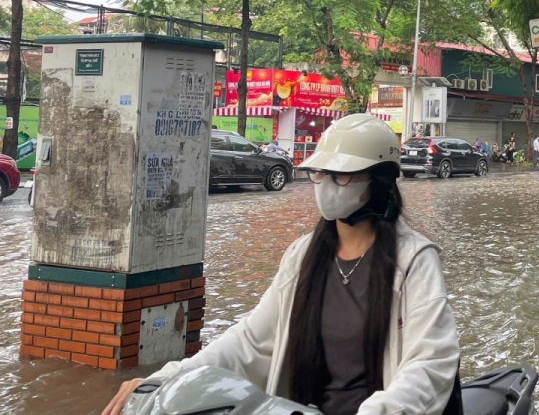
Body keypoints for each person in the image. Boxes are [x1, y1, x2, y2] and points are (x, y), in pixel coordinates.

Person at [102, 114, 459, 415]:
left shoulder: (414, 260)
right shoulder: (303, 256)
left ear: (380, 180)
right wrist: (169, 379)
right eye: (321, 174)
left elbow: (431, 363)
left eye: (343, 175)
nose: (327, 186)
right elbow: (248, 341)